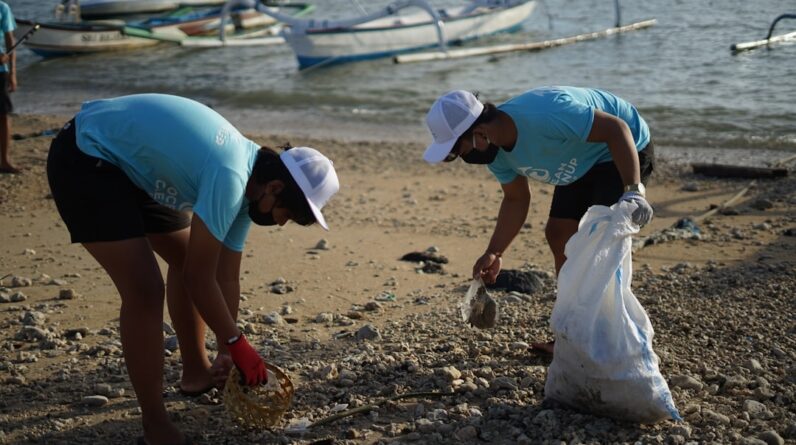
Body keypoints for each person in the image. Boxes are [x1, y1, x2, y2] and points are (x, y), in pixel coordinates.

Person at [46, 93, 340, 445]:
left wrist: (226, 352)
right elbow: (199, 279)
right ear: (275, 188)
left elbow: (224, 276)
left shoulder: (250, 186)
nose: (280, 224)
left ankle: (197, 372)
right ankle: (155, 425)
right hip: (86, 154)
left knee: (189, 256)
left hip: (133, 166)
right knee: (144, 290)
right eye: (287, 214)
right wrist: (238, 343)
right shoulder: (231, 175)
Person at [423, 87, 654, 354]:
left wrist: (633, 191)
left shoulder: (546, 114)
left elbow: (616, 129)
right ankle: (572, 334)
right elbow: (516, 199)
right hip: (578, 160)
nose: (461, 159)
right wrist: (494, 252)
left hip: (621, 147)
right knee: (559, 234)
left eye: (455, 152)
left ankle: (609, 336)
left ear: (480, 134)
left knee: (598, 240)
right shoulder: (497, 154)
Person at [0, 1, 18, 174]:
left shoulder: (2, 7)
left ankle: (4, 161)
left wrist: (12, 73)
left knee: (4, 115)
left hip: (1, 71)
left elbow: (10, 41)